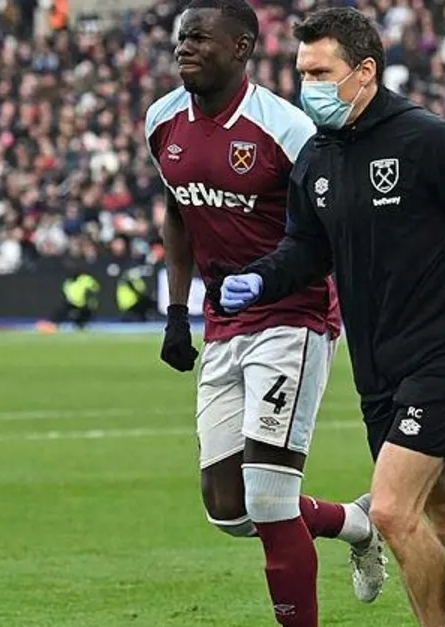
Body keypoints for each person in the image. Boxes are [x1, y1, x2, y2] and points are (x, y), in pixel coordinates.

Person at [219, 8, 445, 627]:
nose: (307, 86)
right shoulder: (316, 159)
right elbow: (306, 249)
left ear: (365, 71)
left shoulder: (432, 142)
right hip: (378, 369)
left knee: (393, 512)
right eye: (301, 72)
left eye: (321, 73)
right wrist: (261, 276)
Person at [144, 1, 387, 624]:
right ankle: (355, 523)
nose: (184, 47)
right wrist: (177, 311)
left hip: (293, 316)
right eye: (181, 37)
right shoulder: (162, 121)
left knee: (271, 499)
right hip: (223, 324)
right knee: (228, 508)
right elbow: (178, 214)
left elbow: (332, 227)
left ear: (242, 47)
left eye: (200, 37)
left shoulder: (287, 129)